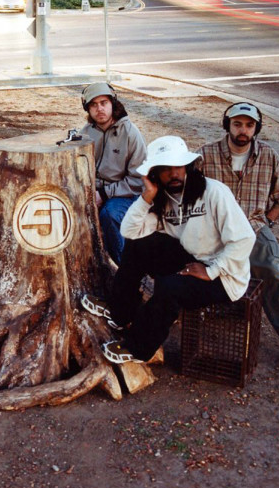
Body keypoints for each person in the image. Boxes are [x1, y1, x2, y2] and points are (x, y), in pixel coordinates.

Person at [82, 136, 255, 364]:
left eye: (178, 166)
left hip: (225, 276)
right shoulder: (164, 198)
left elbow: (244, 239)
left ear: (188, 167)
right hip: (190, 258)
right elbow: (130, 232)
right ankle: (120, 312)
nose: (173, 174)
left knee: (170, 288)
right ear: (155, 174)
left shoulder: (214, 192)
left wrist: (212, 270)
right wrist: (147, 196)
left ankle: (138, 348)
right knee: (139, 245)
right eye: (165, 169)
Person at [197, 102, 279, 366]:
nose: (243, 130)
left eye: (249, 125)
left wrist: (268, 222)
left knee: (271, 270)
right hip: (214, 230)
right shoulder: (205, 155)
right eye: (238, 124)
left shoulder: (268, 156)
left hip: (252, 228)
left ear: (256, 128)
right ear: (227, 125)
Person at [79, 82, 146, 266]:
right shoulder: (85, 133)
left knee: (109, 216)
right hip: (94, 190)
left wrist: (105, 194)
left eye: (104, 103)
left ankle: (123, 269)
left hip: (125, 193)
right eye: (93, 104)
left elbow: (138, 179)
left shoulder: (130, 133)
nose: (99, 109)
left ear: (112, 104)